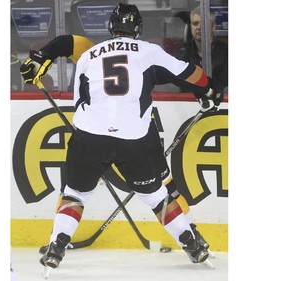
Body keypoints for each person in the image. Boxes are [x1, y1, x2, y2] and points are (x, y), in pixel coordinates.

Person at [20, 3, 218, 271]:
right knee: (158, 196)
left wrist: (41, 58)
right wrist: (209, 88)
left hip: (89, 137)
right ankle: (191, 242)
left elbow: (78, 85)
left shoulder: (89, 54)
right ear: (138, 29)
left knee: (75, 194)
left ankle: (57, 245)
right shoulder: (148, 51)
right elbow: (186, 72)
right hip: (134, 139)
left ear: (110, 27)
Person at [177, 6, 228, 96]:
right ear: (191, 27)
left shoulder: (226, 53)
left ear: (213, 27)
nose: (199, 27)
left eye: (204, 23)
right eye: (195, 23)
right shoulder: (182, 54)